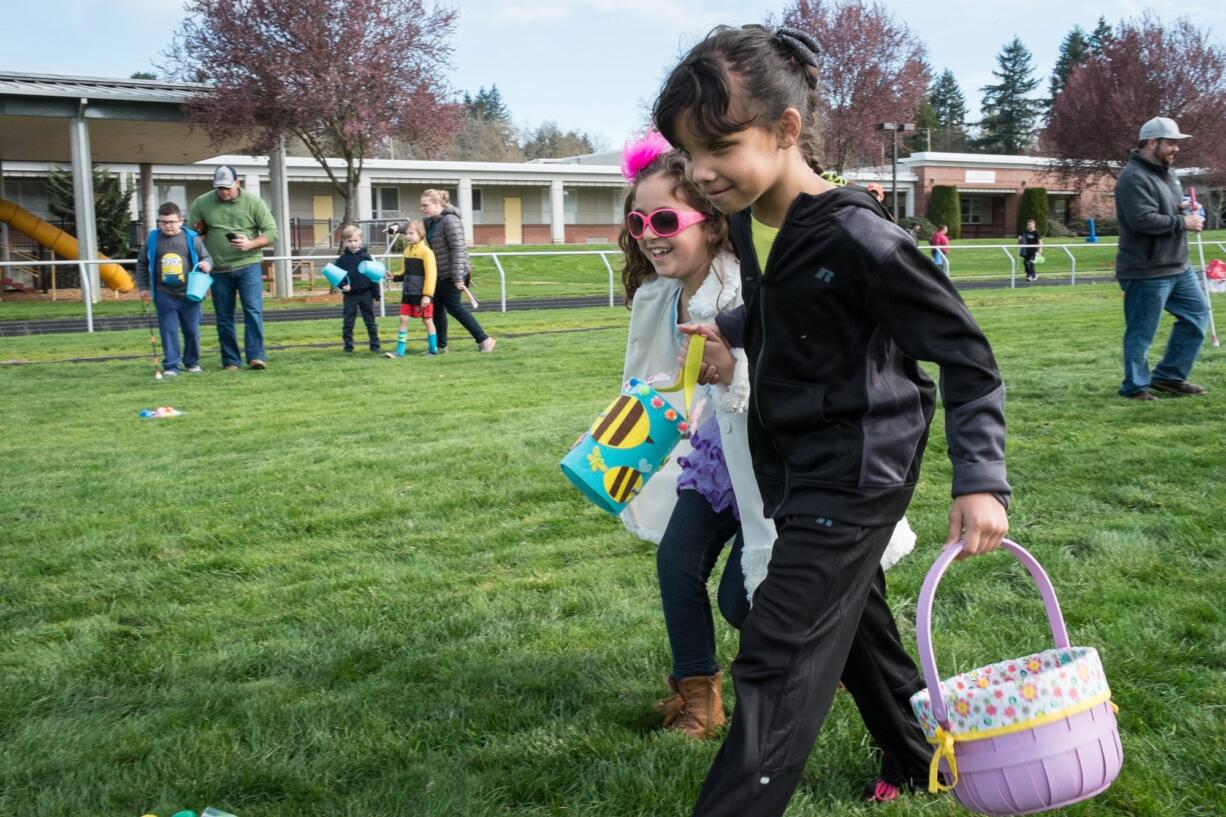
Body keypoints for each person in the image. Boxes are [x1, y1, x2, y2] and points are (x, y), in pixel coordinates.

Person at [654, 24, 1010, 815]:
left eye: (721, 147)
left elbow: (968, 355)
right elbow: (787, 305)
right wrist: (735, 330)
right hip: (793, 460)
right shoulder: (750, 220)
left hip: (857, 468)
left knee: (776, 656)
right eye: (689, 155)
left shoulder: (864, 238)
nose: (703, 174)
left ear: (786, 132)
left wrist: (981, 479)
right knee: (851, 619)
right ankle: (920, 757)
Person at [618, 134, 918, 755]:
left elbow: (790, 374)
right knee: (676, 563)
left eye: (666, 219)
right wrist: (622, 436)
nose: (649, 233)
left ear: (713, 223)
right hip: (715, 455)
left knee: (742, 599)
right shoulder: (663, 294)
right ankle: (697, 696)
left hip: (772, 458)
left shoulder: (744, 288)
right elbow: (655, 380)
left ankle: (821, 662)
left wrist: (733, 371)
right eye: (639, 220)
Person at [1114, 116, 1209, 401]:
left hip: (1178, 266)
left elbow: (1166, 209)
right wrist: (1183, 222)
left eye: (1177, 144)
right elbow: (1143, 220)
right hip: (1146, 270)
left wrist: (1184, 207)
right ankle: (1135, 388)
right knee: (1142, 333)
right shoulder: (1132, 177)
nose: (1176, 149)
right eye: (1171, 143)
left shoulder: (1167, 173)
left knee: (1196, 317)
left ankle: (1169, 376)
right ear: (1152, 142)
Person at [188, 164, 278, 371]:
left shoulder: (254, 202)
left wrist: (250, 244)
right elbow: (192, 234)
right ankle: (230, 361)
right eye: (220, 188)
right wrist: (199, 236)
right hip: (218, 269)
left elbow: (272, 232)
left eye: (227, 187)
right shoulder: (202, 203)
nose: (224, 192)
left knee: (253, 311)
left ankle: (256, 356)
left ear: (238, 183)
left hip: (248, 265)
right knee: (224, 316)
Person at [135, 202, 212, 376]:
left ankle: (192, 363)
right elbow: (142, 264)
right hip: (164, 294)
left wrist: (207, 264)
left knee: (191, 331)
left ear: (180, 221)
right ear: (159, 222)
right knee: (168, 331)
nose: (168, 226)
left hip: (190, 294)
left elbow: (206, 257)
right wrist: (143, 287)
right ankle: (171, 366)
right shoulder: (153, 239)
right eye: (163, 222)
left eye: (171, 222)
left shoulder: (191, 238)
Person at [419, 189, 495, 353]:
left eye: (425, 205)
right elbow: (414, 228)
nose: (422, 208)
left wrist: (457, 277)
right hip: (440, 273)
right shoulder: (430, 221)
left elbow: (458, 250)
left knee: (454, 307)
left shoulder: (450, 221)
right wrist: (398, 227)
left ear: (438, 204)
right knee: (437, 308)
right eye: (421, 205)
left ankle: (485, 340)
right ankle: (441, 346)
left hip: (454, 272)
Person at [387, 219, 438, 357]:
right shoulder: (406, 251)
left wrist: (427, 295)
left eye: (411, 233)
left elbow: (431, 276)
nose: (408, 236)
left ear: (421, 234)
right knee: (403, 319)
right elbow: (404, 272)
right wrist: (394, 276)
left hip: (422, 295)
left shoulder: (427, 253)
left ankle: (433, 350)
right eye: (406, 233)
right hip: (408, 294)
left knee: (427, 320)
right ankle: (400, 351)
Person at [333, 225, 381, 353]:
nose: (353, 244)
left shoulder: (367, 257)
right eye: (349, 241)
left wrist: (377, 295)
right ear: (344, 242)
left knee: (370, 321)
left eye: (355, 240)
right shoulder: (341, 260)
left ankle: (375, 345)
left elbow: (374, 277)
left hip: (366, 294)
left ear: (360, 240)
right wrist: (343, 285)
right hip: (350, 296)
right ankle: (348, 346)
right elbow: (336, 277)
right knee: (348, 322)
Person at [1018, 218, 1042, 282]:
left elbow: (1040, 242)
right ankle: (1032, 274)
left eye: (1030, 224)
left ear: (1034, 225)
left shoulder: (1036, 233)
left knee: (1031, 263)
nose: (1029, 226)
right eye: (1028, 224)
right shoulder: (1025, 232)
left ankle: (1030, 276)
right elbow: (1020, 241)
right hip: (1026, 251)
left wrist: (1040, 250)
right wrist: (1019, 239)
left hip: (1034, 251)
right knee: (1025, 263)